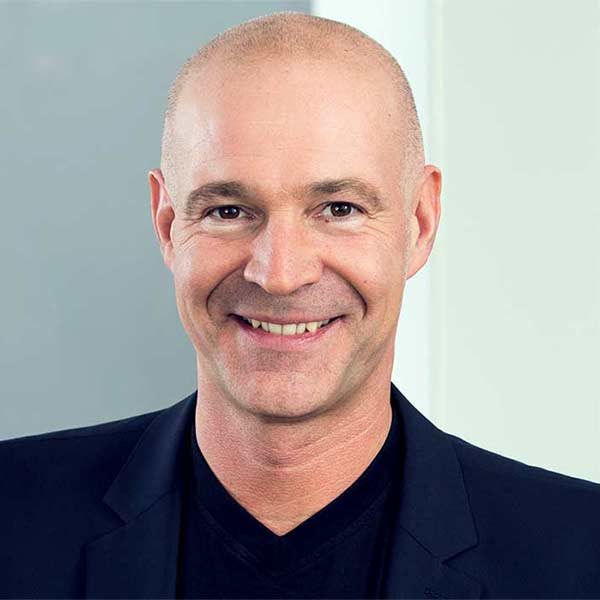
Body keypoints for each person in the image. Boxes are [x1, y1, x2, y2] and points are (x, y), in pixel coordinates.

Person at [1, 11, 599, 600]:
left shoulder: (580, 557)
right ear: (167, 225)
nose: (280, 275)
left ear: (420, 222)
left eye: (339, 209)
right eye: (228, 211)